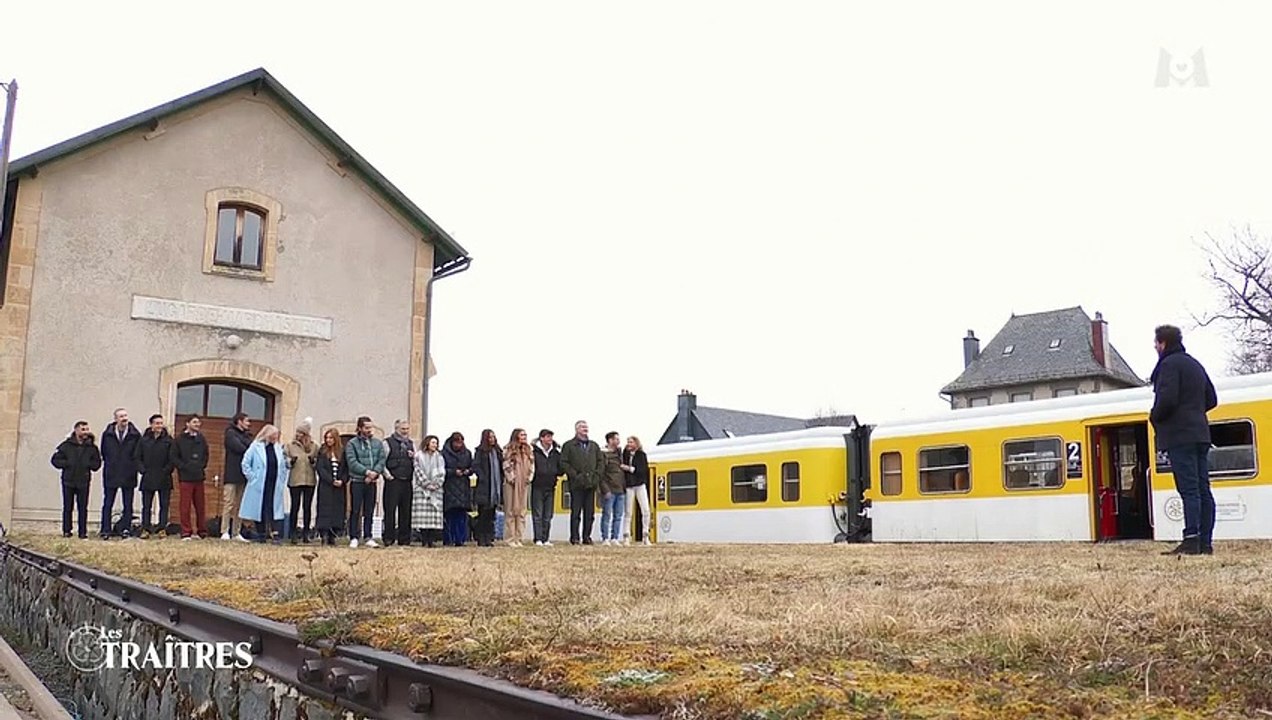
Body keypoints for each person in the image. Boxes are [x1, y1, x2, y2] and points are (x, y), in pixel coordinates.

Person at [1150, 324, 1219, 556]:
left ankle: (1191, 539)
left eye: (1156, 343)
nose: (1155, 347)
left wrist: (1155, 417)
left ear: (1163, 343)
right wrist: (1195, 411)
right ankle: (1205, 542)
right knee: (1203, 489)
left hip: (1180, 435)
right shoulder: (1194, 364)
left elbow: (1167, 400)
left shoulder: (1169, 365)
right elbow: (1212, 398)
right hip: (1200, 434)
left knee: (1188, 489)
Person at [51, 421, 101, 539]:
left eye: (87, 429)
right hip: (68, 480)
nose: (85, 432)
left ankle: (82, 532)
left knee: (83, 507)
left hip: (83, 480)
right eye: (83, 429)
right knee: (68, 507)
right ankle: (67, 530)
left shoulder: (91, 447)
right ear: (76, 430)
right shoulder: (66, 445)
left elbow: (97, 463)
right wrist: (67, 464)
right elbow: (55, 460)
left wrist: (88, 464)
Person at [240, 424, 288, 543]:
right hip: (259, 483)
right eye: (272, 436)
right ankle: (261, 533)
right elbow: (245, 463)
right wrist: (252, 477)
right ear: (267, 435)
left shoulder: (278, 448)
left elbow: (282, 466)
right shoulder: (255, 446)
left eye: (276, 437)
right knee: (260, 508)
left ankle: (275, 534)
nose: (274, 439)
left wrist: (282, 479)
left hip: (274, 483)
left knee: (273, 508)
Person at [99, 408, 141, 539]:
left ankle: (126, 529)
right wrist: (111, 463)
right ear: (115, 419)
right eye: (121, 416)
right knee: (108, 502)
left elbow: (137, 453)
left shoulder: (135, 434)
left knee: (128, 504)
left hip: (128, 473)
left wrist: (132, 466)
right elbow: (104, 452)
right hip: (111, 472)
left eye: (126, 416)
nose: (124, 419)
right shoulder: (108, 434)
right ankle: (105, 529)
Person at [561, 420, 604, 545]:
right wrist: (575, 475)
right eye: (582, 427)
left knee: (589, 513)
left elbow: (601, 462)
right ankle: (574, 537)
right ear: (576, 429)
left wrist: (596, 476)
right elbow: (564, 463)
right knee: (576, 513)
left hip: (591, 484)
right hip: (576, 484)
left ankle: (587, 537)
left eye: (586, 427)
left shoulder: (594, 446)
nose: (585, 429)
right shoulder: (569, 445)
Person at [345, 416, 386, 548]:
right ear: (360, 428)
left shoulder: (377, 444)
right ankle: (354, 536)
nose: (369, 430)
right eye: (366, 427)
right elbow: (352, 462)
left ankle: (368, 536)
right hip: (357, 481)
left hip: (372, 482)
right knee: (355, 509)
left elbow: (381, 459)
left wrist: (374, 473)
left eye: (370, 427)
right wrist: (366, 472)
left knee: (370, 509)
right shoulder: (352, 444)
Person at [135, 414, 175, 539]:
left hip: (164, 477)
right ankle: (145, 528)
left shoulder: (168, 441)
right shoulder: (144, 440)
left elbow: (172, 458)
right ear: (151, 425)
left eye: (161, 423)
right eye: (157, 423)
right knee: (146, 505)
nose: (159, 426)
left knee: (164, 505)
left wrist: (166, 471)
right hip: (148, 477)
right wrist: (142, 470)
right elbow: (137, 457)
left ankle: (162, 528)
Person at [170, 415, 209, 540]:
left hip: (199, 476)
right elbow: (174, 456)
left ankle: (201, 531)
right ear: (187, 424)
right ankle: (186, 531)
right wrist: (183, 467)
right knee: (185, 506)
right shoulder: (179, 439)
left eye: (199, 422)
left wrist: (201, 466)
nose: (197, 424)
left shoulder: (201, 439)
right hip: (185, 477)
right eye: (195, 422)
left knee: (200, 506)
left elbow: (205, 455)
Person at [383, 419, 416, 547]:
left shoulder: (410, 444)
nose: (405, 431)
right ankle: (389, 538)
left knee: (406, 511)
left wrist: (413, 457)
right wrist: (388, 476)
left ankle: (404, 539)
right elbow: (382, 461)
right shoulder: (387, 443)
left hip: (407, 481)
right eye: (403, 429)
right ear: (396, 429)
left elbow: (416, 463)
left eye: (407, 429)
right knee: (390, 511)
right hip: (393, 481)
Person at [285, 419, 319, 544]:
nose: (298, 435)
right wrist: (291, 462)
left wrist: (313, 462)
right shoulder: (290, 445)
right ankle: (293, 533)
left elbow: (318, 463)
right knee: (295, 506)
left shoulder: (314, 446)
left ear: (306, 434)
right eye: (297, 432)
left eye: (301, 433)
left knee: (307, 507)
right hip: (295, 480)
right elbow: (285, 461)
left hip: (309, 480)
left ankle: (306, 534)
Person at [220, 412, 253, 541]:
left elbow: (251, 448)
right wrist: (247, 447)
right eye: (246, 421)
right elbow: (239, 448)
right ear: (239, 421)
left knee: (240, 505)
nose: (248, 424)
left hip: (243, 475)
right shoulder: (230, 433)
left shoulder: (247, 435)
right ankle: (224, 531)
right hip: (231, 473)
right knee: (229, 503)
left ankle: (236, 532)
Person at [314, 428, 348, 545]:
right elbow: (320, 468)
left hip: (339, 488)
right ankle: (324, 534)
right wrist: (330, 480)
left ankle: (333, 535)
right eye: (327, 438)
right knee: (324, 509)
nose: (328, 440)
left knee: (337, 509)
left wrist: (342, 480)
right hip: (326, 486)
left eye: (331, 438)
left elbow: (346, 469)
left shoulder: (342, 452)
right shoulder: (322, 451)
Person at [471, 429, 504, 548]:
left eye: (494, 437)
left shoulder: (498, 452)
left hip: (495, 488)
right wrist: (483, 476)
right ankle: (481, 538)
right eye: (490, 437)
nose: (492, 439)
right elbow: (475, 466)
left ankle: (489, 537)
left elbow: (501, 468)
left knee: (491, 515)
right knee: (483, 515)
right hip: (484, 488)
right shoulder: (480, 451)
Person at [501, 428, 534, 547]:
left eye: (525, 435)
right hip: (511, 484)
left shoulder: (529, 450)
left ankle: (519, 538)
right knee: (510, 511)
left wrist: (529, 478)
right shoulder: (508, 449)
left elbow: (532, 465)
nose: (524, 437)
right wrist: (512, 478)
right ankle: (510, 539)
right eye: (522, 435)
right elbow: (506, 465)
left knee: (522, 511)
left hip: (524, 483)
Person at [412, 434, 446, 547]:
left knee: (433, 517)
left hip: (436, 490)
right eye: (433, 442)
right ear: (427, 443)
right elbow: (417, 470)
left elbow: (442, 472)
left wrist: (436, 484)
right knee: (422, 517)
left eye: (436, 443)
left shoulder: (439, 457)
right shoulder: (419, 456)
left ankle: (431, 540)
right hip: (422, 489)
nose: (434, 445)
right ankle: (424, 540)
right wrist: (426, 484)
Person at [441, 432, 473, 547]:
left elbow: (472, 467)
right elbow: (441, 469)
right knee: (449, 515)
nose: (459, 445)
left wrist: (468, 471)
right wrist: (453, 471)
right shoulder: (444, 453)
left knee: (461, 516)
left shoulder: (467, 453)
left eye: (460, 442)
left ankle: (460, 539)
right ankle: (449, 539)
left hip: (463, 487)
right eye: (456, 442)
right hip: (449, 486)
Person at [530, 429, 561, 546]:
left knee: (548, 515)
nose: (550, 439)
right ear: (541, 438)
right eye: (547, 437)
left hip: (551, 486)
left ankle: (545, 538)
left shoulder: (556, 452)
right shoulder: (534, 452)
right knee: (538, 514)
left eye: (551, 437)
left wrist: (556, 473)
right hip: (537, 485)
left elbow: (560, 467)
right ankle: (538, 538)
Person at [621, 435, 651, 546]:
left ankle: (645, 535)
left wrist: (630, 469)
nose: (629, 444)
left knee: (646, 510)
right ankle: (626, 536)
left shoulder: (641, 455)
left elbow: (643, 470)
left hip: (640, 484)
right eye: (628, 442)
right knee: (628, 512)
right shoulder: (625, 454)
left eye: (631, 442)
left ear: (636, 443)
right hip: (629, 485)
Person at [599, 431, 627, 546]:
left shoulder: (620, 454)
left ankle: (614, 537)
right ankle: (605, 538)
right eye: (616, 439)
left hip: (620, 490)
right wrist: (605, 490)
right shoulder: (603, 455)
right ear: (610, 440)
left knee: (618, 516)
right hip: (610, 490)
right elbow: (601, 474)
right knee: (607, 515)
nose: (618, 441)